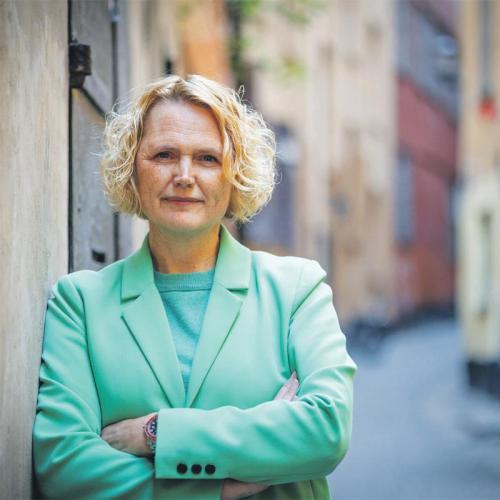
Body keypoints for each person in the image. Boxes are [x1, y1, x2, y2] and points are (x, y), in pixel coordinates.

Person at [33, 74, 356, 499]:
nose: (184, 175)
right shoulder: (79, 304)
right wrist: (214, 490)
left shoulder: (297, 290)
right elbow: (64, 465)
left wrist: (156, 433)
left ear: (234, 174)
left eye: (207, 158)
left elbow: (326, 430)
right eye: (164, 154)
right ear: (132, 169)